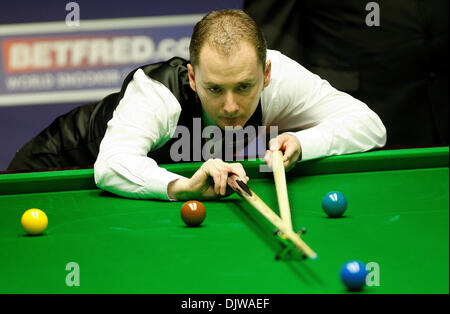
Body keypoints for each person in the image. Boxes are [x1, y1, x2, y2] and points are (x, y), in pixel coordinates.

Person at [8, 9, 386, 201]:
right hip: (55, 167)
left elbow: (370, 125)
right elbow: (110, 165)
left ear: (265, 73)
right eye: (215, 89)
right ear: (192, 77)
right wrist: (183, 187)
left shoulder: (280, 77)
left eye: (244, 86)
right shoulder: (157, 94)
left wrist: (303, 143)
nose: (232, 105)